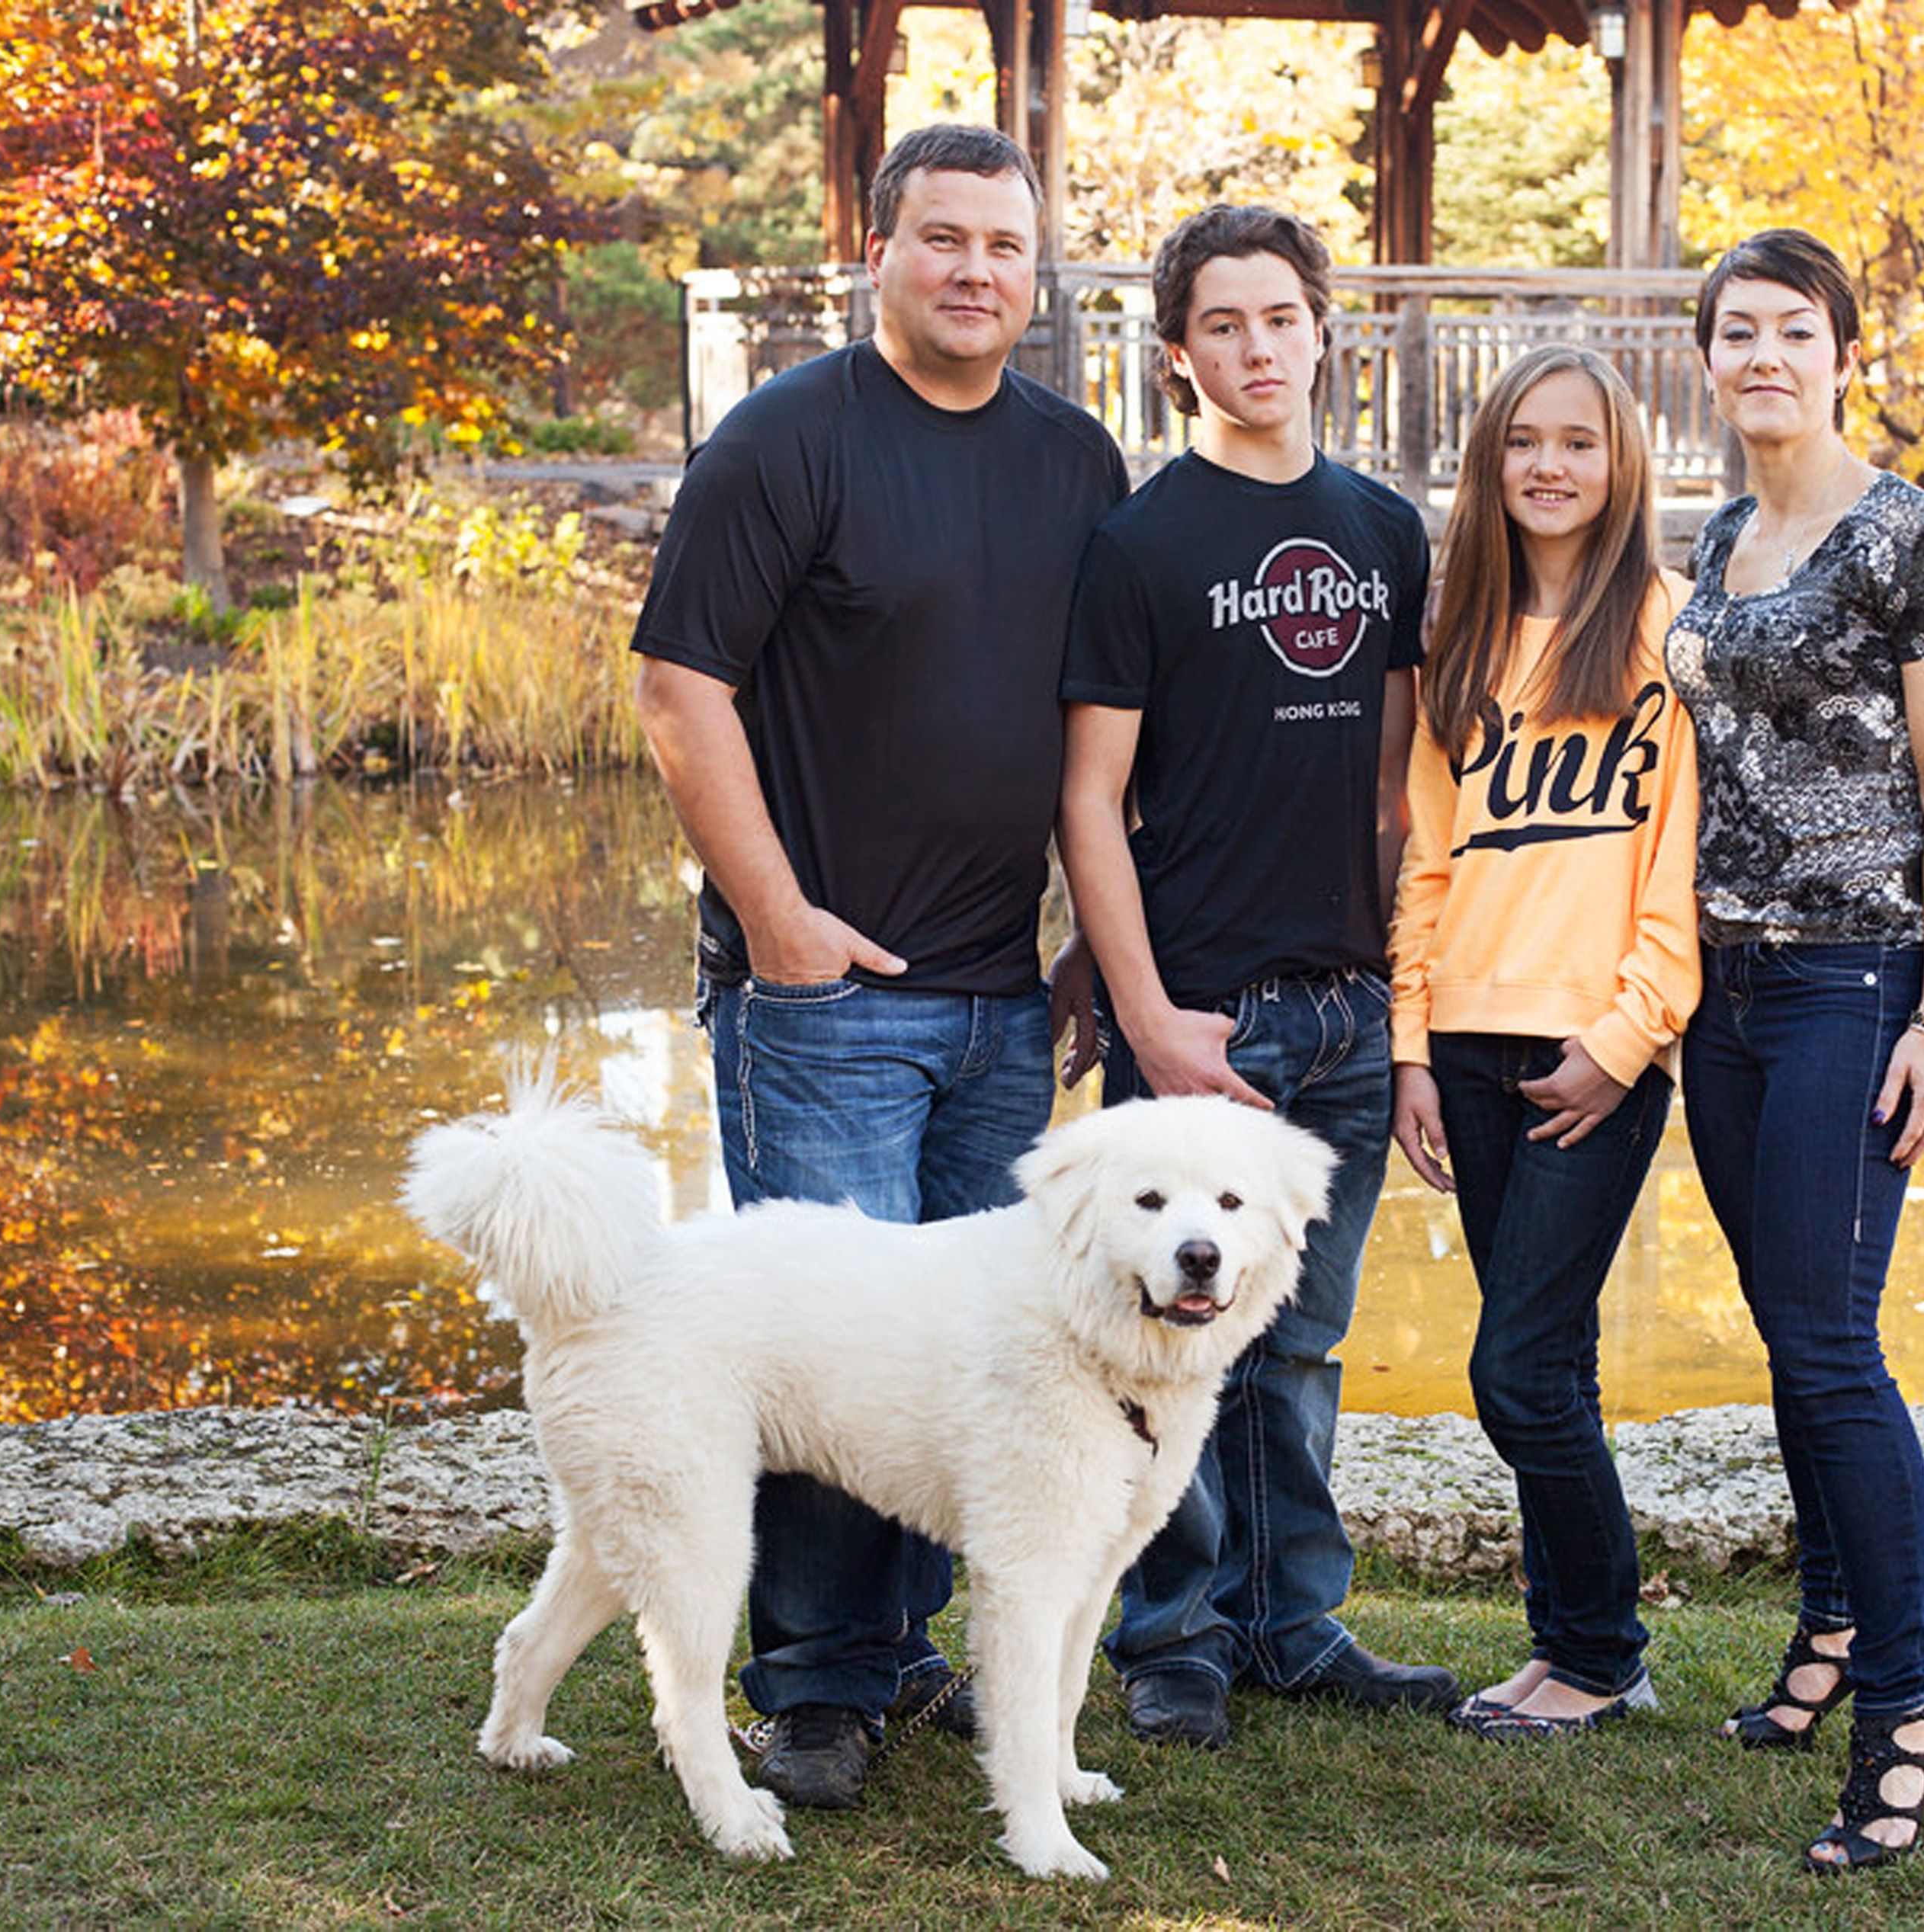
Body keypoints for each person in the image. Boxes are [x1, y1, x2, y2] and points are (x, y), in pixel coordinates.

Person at [626, 123, 1130, 1813]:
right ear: (878, 250)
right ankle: (820, 1690)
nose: (975, 269)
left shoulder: (1077, 460)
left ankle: (905, 1644)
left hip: (1003, 994)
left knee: (974, 1355)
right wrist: (775, 918)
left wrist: (1083, 947)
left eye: (1005, 244)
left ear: (1036, 270)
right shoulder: (782, 443)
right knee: (828, 1351)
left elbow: (1090, 738)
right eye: (942, 238)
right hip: (825, 994)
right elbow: (680, 688)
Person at [1054, 202, 1456, 1751]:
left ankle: (1295, 1621)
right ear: (1178, 356)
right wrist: (1147, 1016)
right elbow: (1091, 798)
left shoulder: (1380, 530)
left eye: (1278, 317)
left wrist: (1402, 1014)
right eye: (1220, 325)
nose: (1255, 347)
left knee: (1297, 1341)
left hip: (1346, 1012)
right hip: (1202, 1010)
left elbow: (1397, 793)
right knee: (1159, 1344)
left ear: (1318, 331)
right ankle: (1173, 1638)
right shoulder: (1140, 544)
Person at [1666, 229, 1924, 1869]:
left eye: (1793, 331)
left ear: (1841, 351)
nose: (1764, 358)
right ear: (1711, 360)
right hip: (1723, 998)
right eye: (1737, 333)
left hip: (1851, 984)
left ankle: (1908, 1713)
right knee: (1791, 1325)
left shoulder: (1915, 541)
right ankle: (1827, 1634)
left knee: (1827, 1344)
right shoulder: (1721, 532)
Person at [1384, 346, 1700, 1740]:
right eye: (1525, 441)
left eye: (1579, 441)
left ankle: (1601, 1647)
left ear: (1621, 463)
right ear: (1492, 465)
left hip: (1593, 1055)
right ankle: (1572, 1649)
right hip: (1466, 1042)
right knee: (1545, 1360)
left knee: (1515, 1369)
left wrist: (1627, 1043)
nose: (1551, 466)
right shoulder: (1463, 642)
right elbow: (1431, 866)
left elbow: (1682, 873)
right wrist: (1409, 1047)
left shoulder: (1673, 639)